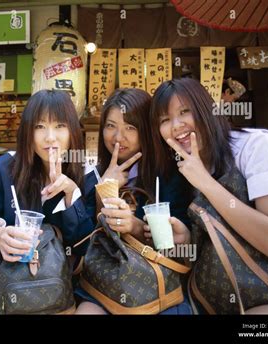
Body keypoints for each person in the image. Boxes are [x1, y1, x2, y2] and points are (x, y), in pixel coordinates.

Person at [149, 78, 268, 314]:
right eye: (164, 120)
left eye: (184, 112)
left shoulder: (255, 147)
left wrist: (206, 182)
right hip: (220, 297)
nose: (176, 125)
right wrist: (188, 238)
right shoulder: (184, 167)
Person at [75, 88, 193, 314]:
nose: (118, 137)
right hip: (104, 285)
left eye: (130, 127)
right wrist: (104, 192)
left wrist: (135, 226)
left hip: (156, 285)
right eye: (111, 126)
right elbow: (81, 242)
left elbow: (178, 246)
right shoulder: (91, 177)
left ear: (147, 130)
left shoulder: (170, 176)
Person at [0, 89, 94, 262]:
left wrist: (71, 192)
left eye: (60, 126)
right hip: (13, 280)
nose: (50, 137)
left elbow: (86, 245)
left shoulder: (87, 171)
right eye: (39, 126)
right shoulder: (6, 167)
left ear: (73, 130)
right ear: (27, 132)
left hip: (67, 283)